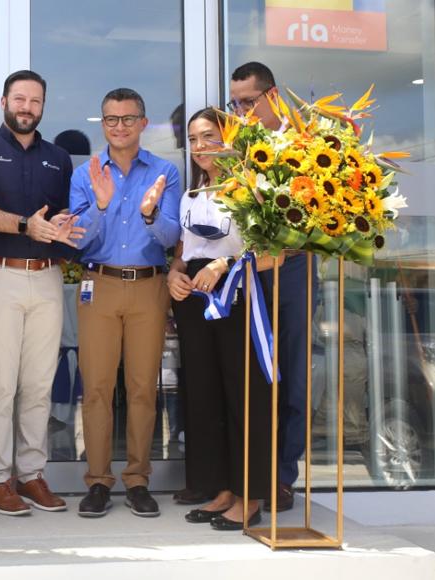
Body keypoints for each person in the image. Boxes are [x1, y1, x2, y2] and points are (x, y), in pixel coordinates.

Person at [0, 69, 83, 516]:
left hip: (48, 277)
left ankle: (31, 475)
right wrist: (26, 224)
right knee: (0, 383)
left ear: (43, 107)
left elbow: (66, 214)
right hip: (0, 275)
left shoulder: (58, 157)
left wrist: (68, 227)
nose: (26, 107)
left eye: (34, 101)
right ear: (6, 101)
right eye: (19, 99)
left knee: (37, 385)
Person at [68, 87, 181, 518]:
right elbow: (79, 238)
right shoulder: (87, 173)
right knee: (96, 388)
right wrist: (99, 205)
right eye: (110, 120)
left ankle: (137, 479)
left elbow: (171, 238)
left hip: (149, 287)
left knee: (141, 388)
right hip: (99, 283)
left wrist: (151, 214)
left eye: (127, 119)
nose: (118, 127)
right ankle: (97, 481)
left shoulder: (165, 173)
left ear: (142, 123)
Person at [168, 107, 276, 531]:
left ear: (230, 137)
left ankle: (249, 495)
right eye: (193, 140)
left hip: (238, 297)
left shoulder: (253, 190)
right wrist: (174, 278)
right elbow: (183, 255)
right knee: (204, 396)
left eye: (209, 136)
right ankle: (222, 490)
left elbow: (274, 254)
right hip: (196, 302)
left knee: (243, 395)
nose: (200, 147)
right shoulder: (190, 197)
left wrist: (226, 265)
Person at [229, 61, 317, 512]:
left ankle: (283, 476)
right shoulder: (238, 147)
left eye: (248, 102)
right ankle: (248, 473)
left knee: (293, 378)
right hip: (247, 271)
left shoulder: (308, 142)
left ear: (273, 96)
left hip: (294, 267)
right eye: (235, 103)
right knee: (252, 376)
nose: (241, 112)